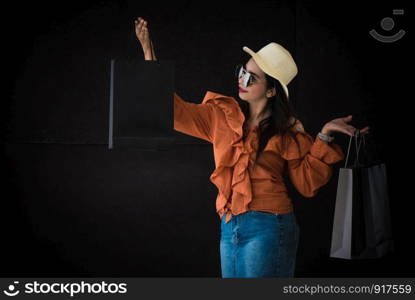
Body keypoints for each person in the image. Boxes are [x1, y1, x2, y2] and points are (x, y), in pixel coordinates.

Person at [134, 17, 370, 278]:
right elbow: (172, 111)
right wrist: (148, 53)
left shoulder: (287, 129)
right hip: (229, 225)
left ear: (271, 91)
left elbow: (307, 183)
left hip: (270, 225)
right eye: (242, 72)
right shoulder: (221, 115)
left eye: (252, 78)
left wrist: (323, 137)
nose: (242, 80)